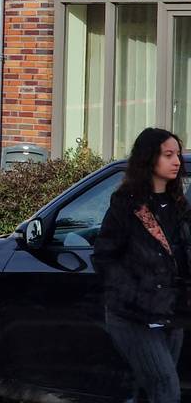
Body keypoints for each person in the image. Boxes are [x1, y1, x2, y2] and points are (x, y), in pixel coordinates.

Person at [94, 127, 190, 403]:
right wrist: (132, 294)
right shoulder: (127, 206)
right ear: (150, 158)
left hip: (171, 313)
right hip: (135, 316)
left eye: (177, 156)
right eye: (168, 155)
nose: (176, 162)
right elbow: (105, 256)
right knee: (166, 388)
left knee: (152, 389)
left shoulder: (178, 206)